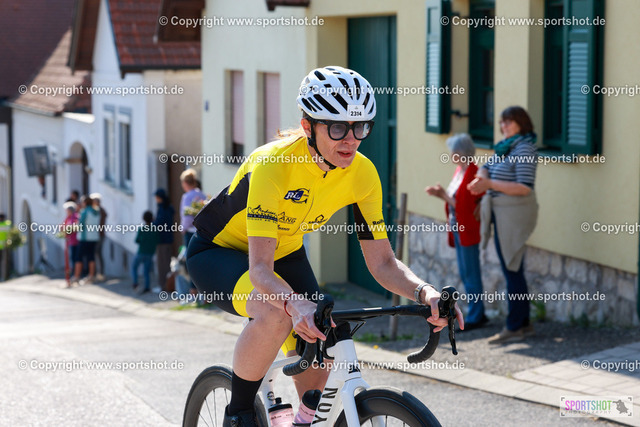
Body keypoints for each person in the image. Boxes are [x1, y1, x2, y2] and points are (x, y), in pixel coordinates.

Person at [187, 66, 464, 427]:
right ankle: (238, 414)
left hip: (285, 253)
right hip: (219, 253)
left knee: (320, 351)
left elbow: (382, 263)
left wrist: (424, 293)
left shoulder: (362, 174)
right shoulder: (273, 165)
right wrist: (293, 304)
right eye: (337, 128)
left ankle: (304, 420)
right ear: (308, 127)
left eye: (360, 127)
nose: (350, 140)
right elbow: (260, 271)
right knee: (276, 313)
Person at [468, 106, 539, 344]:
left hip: (514, 215)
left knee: (512, 268)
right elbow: (486, 167)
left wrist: (489, 185)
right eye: (501, 122)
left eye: (508, 122)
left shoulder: (524, 148)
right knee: (513, 268)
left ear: (521, 123)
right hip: (502, 214)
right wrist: (481, 179)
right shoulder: (506, 147)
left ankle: (514, 326)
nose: (503, 126)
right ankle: (523, 323)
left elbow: (524, 187)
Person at [425, 133, 487, 330]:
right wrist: (442, 194)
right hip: (458, 228)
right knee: (465, 272)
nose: (451, 155)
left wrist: (442, 194)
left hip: (467, 229)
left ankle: (477, 315)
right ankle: (476, 312)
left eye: (453, 152)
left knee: (471, 273)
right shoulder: (460, 171)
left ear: (461, 153)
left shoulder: (473, 173)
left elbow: (464, 207)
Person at [179, 168, 205, 299]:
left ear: (185, 183)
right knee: (201, 261)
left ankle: (193, 292)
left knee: (190, 262)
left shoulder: (187, 196)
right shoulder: (202, 195)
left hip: (190, 233)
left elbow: (187, 216)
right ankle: (204, 292)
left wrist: (182, 228)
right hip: (202, 232)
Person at [74, 195, 100, 284]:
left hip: (85, 238)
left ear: (85, 203)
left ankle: (76, 276)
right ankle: (91, 275)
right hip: (94, 237)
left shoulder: (84, 212)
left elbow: (80, 225)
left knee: (78, 257)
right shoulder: (96, 211)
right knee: (91, 256)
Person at [132, 211, 159, 294]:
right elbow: (157, 240)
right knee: (146, 271)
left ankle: (135, 283)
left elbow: (137, 240)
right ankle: (147, 287)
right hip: (150, 252)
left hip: (141, 252)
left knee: (134, 267)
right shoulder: (155, 229)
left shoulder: (142, 229)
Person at [153, 188, 175, 293]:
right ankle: (168, 285)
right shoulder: (169, 207)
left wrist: (152, 224)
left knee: (162, 265)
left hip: (162, 240)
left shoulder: (162, 208)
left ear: (159, 198)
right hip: (168, 238)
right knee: (167, 263)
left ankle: (163, 287)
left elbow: (159, 223)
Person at [90, 192, 108, 281]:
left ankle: (100, 273)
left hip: (99, 235)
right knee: (95, 253)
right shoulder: (95, 210)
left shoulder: (100, 211)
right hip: (94, 235)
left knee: (97, 253)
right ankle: (97, 273)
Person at [62, 202, 80, 286]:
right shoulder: (68, 217)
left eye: (67, 210)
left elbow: (74, 228)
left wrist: (67, 231)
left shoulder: (75, 217)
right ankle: (72, 277)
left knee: (75, 259)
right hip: (70, 241)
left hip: (75, 241)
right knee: (72, 259)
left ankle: (75, 276)